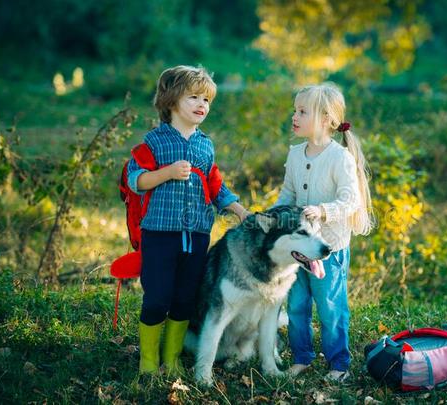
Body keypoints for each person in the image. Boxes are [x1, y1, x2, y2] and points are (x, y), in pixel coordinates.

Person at [126, 65, 250, 376]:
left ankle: (171, 358)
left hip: (196, 235)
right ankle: (148, 361)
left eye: (206, 100)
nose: (201, 105)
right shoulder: (153, 142)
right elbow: (134, 180)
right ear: (170, 101)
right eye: (193, 97)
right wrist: (166, 173)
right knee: (157, 298)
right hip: (159, 234)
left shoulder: (205, 145)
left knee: (184, 299)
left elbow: (215, 185)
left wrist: (238, 210)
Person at [274, 83, 374, 382]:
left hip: (329, 247)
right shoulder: (294, 154)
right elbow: (287, 193)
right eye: (295, 110)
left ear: (327, 119)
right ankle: (301, 357)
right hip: (297, 249)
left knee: (330, 308)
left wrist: (323, 210)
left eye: (303, 111)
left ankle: (339, 363)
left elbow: (351, 200)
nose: (295, 116)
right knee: (297, 305)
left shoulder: (339, 157)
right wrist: (273, 214)